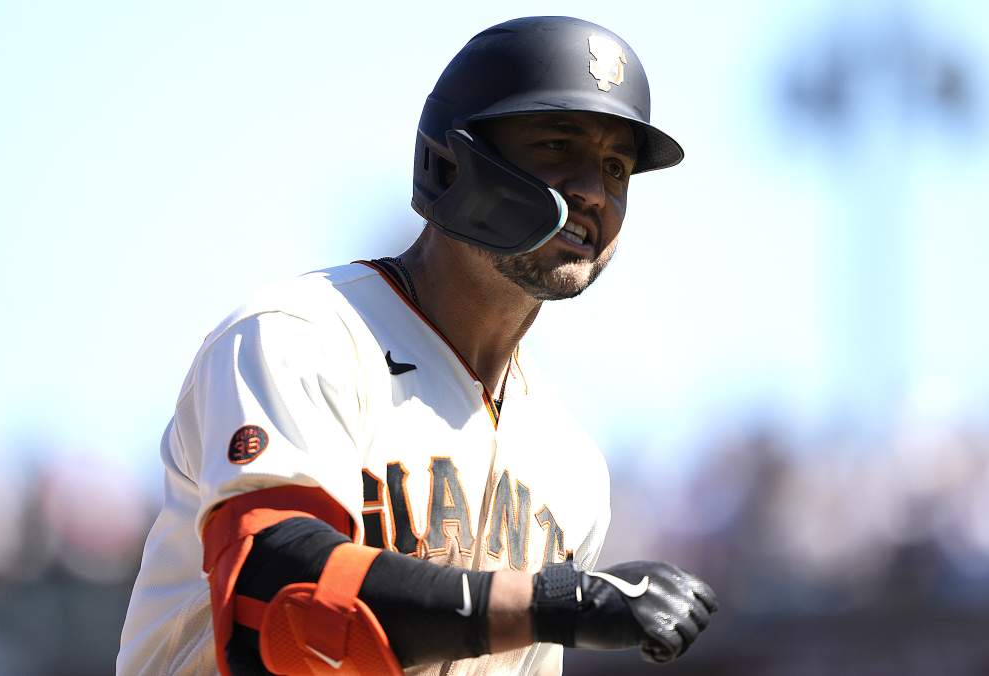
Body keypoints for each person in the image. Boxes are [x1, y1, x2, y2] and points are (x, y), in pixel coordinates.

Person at [118, 15, 717, 676]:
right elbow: (277, 609)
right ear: (454, 160)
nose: (593, 191)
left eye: (616, 168)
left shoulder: (571, 465)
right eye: (556, 145)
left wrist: (553, 608)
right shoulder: (302, 335)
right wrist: (552, 604)